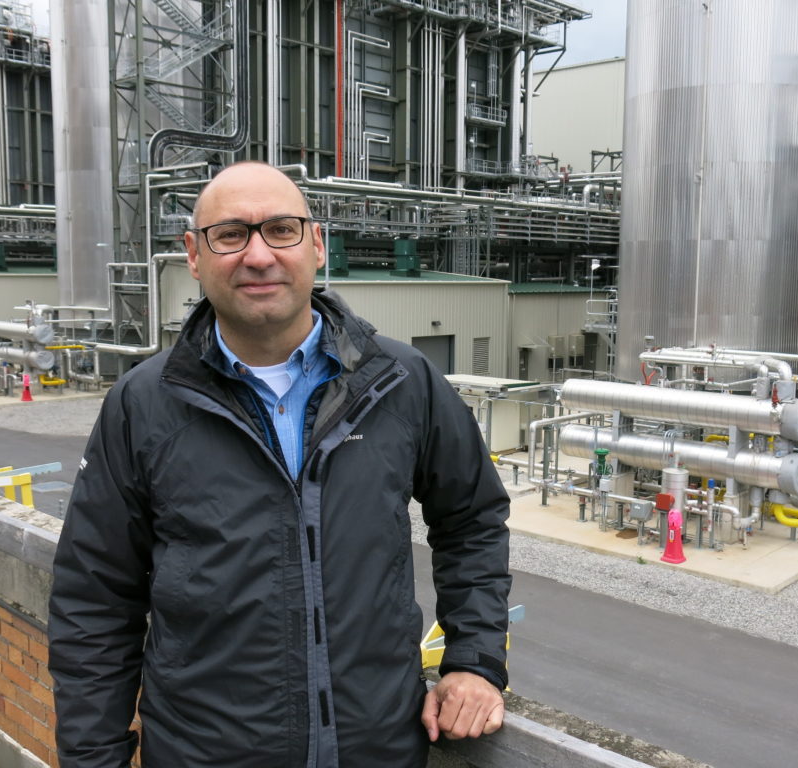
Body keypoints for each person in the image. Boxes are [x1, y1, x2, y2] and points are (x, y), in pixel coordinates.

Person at [48, 162, 512, 767]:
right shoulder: (143, 405)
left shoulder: (401, 382)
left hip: (376, 752)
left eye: (281, 230)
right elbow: (94, 599)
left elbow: (472, 519)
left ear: (316, 244)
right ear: (193, 255)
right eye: (231, 234)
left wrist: (473, 661)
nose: (259, 255)